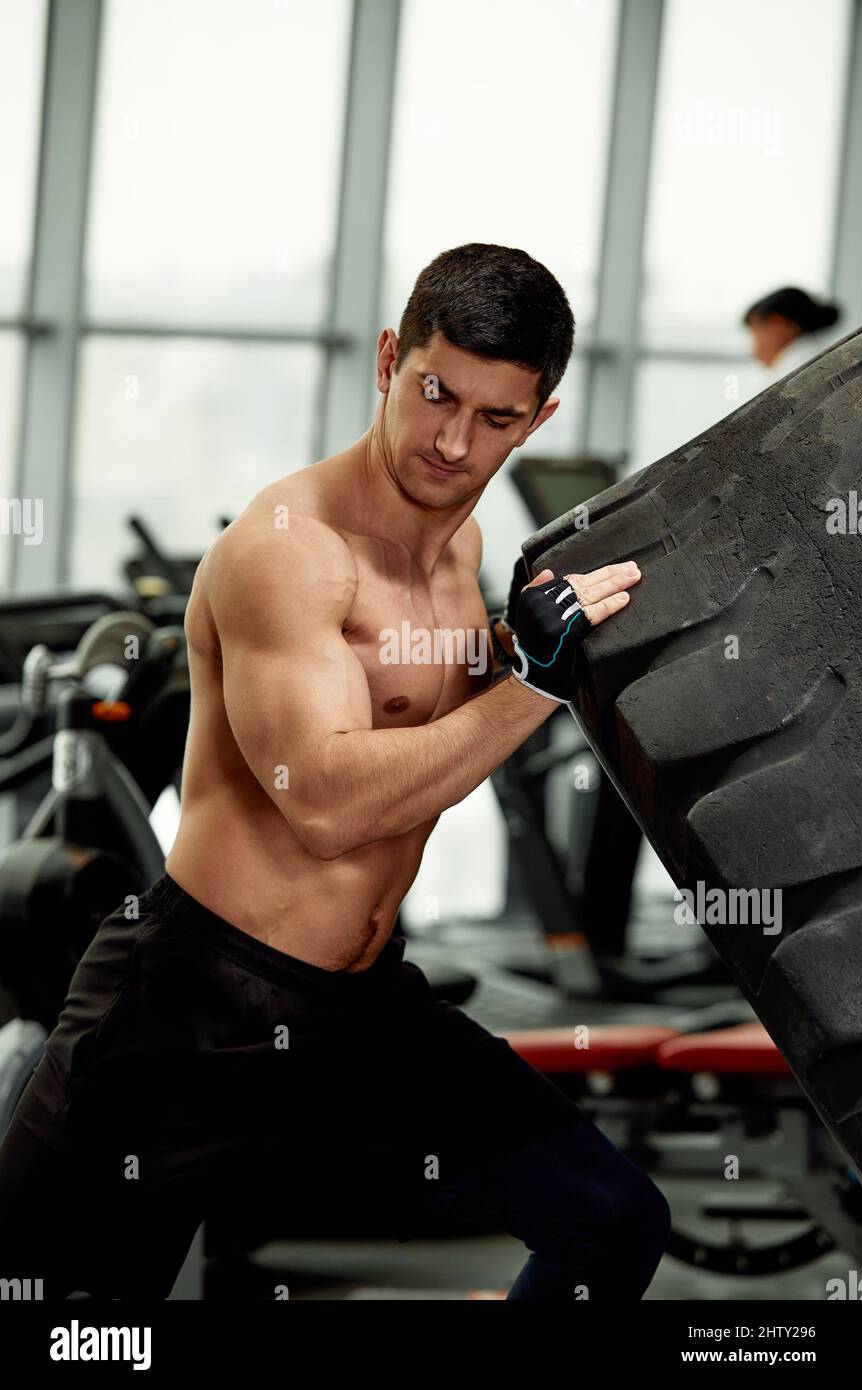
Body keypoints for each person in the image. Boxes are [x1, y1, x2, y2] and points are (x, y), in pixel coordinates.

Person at [0, 243, 670, 1302]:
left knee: (609, 1220)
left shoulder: (459, 550)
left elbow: (409, 693)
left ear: (538, 420)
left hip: (354, 1010)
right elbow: (322, 800)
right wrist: (531, 689)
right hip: (186, 1008)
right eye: (435, 393)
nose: (452, 442)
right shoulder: (289, 547)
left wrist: (508, 649)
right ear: (389, 358)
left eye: (496, 419)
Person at [743, 285, 841, 380]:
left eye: (755, 335)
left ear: (776, 324)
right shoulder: (819, 358)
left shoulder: (797, 369)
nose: (754, 352)